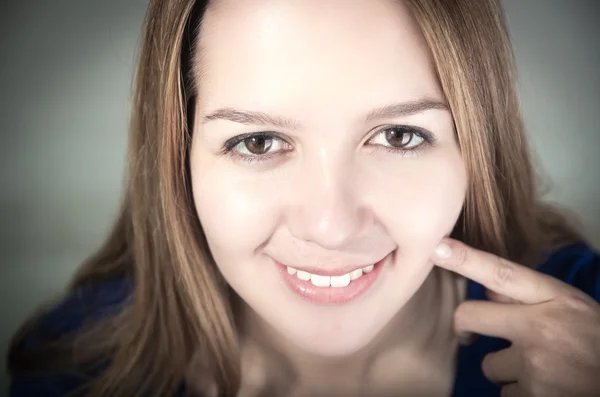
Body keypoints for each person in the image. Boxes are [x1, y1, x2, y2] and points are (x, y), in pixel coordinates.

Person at [7, 0, 600, 396]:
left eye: (399, 136)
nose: (332, 226)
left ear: (477, 148)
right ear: (178, 161)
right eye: (258, 141)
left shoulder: (587, 324)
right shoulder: (77, 370)